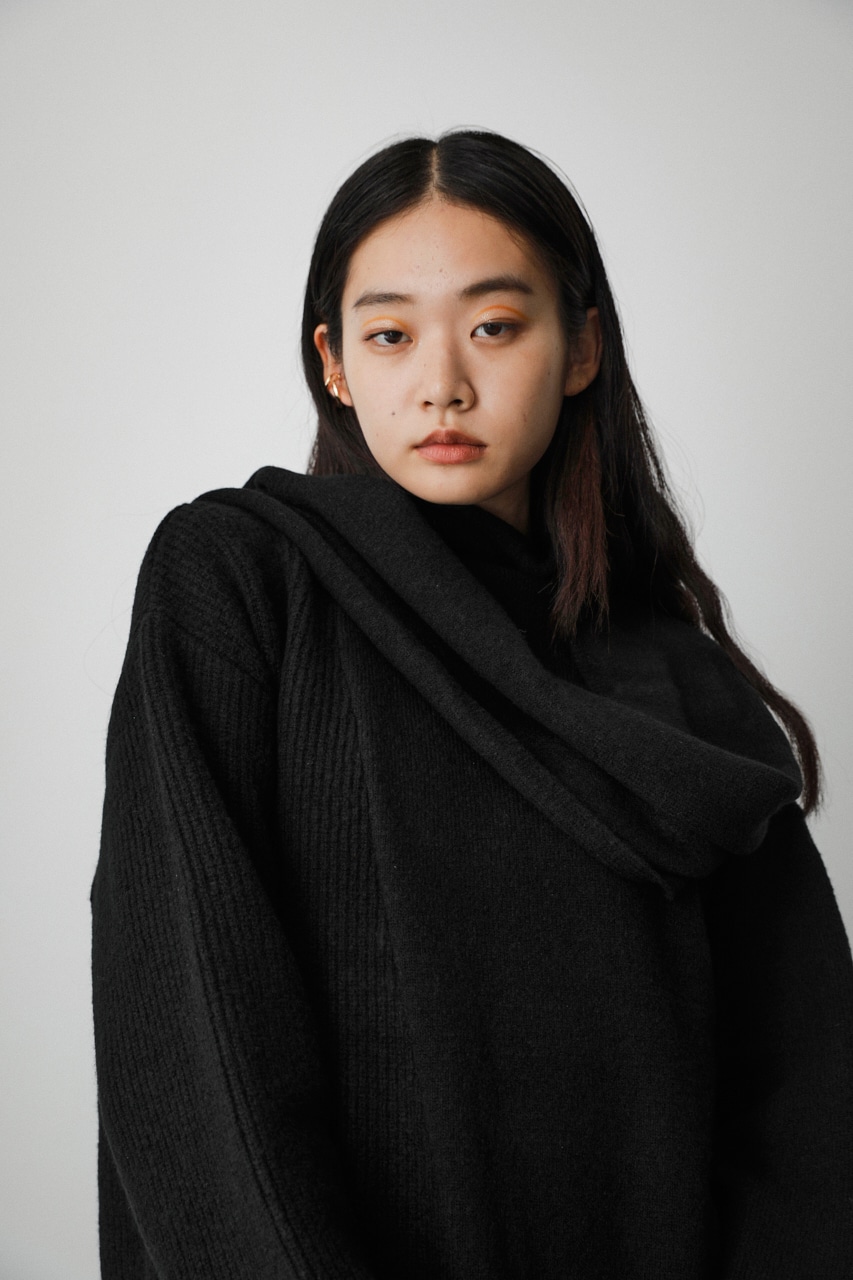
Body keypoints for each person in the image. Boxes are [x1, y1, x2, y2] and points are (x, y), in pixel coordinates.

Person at [91, 129, 853, 1279]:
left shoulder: (675, 678)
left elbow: (804, 1099)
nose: (441, 381)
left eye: (494, 325)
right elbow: (193, 1036)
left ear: (581, 346)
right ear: (333, 362)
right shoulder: (243, 582)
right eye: (390, 334)